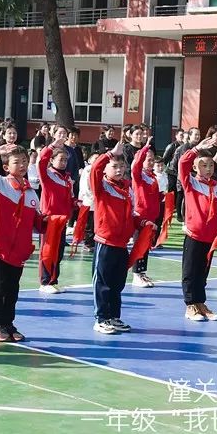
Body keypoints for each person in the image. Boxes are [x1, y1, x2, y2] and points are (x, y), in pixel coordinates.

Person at [0, 143, 43, 342]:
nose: (23, 165)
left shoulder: (32, 193)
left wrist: (52, 222)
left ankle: (8, 323)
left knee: (12, 289)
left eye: (25, 161)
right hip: (0, 246)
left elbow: (38, 224)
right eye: (17, 162)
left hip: (20, 250)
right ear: (6, 167)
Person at [90, 140, 153, 334]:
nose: (119, 170)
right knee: (103, 283)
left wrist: (142, 223)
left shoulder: (127, 189)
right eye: (114, 166)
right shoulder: (101, 187)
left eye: (121, 166)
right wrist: (109, 154)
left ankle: (113, 317)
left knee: (118, 283)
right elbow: (94, 170)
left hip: (122, 244)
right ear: (106, 169)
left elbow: (131, 215)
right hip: (105, 242)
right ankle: (101, 318)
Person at [178, 137, 217, 321]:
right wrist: (196, 149)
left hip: (210, 237)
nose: (208, 169)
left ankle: (201, 303)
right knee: (190, 271)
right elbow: (182, 163)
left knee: (203, 271)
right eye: (204, 165)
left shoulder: (216, 189)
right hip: (194, 235)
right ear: (195, 167)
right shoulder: (190, 183)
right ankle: (190, 305)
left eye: (211, 166)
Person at [37, 136, 75, 293]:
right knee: (47, 250)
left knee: (58, 252)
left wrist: (75, 204)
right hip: (49, 219)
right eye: (60, 159)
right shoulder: (47, 175)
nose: (64, 162)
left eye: (66, 160)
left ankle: (53, 280)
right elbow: (40, 161)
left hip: (62, 221)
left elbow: (69, 199)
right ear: (52, 160)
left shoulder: (67, 179)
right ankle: (44, 282)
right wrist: (52, 146)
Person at [129, 134, 160, 287]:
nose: (151, 161)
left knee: (146, 245)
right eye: (148, 159)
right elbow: (135, 164)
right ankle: (136, 274)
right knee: (139, 245)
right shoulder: (138, 175)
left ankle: (142, 272)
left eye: (153, 159)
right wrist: (145, 147)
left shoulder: (152, 177)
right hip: (141, 215)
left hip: (151, 216)